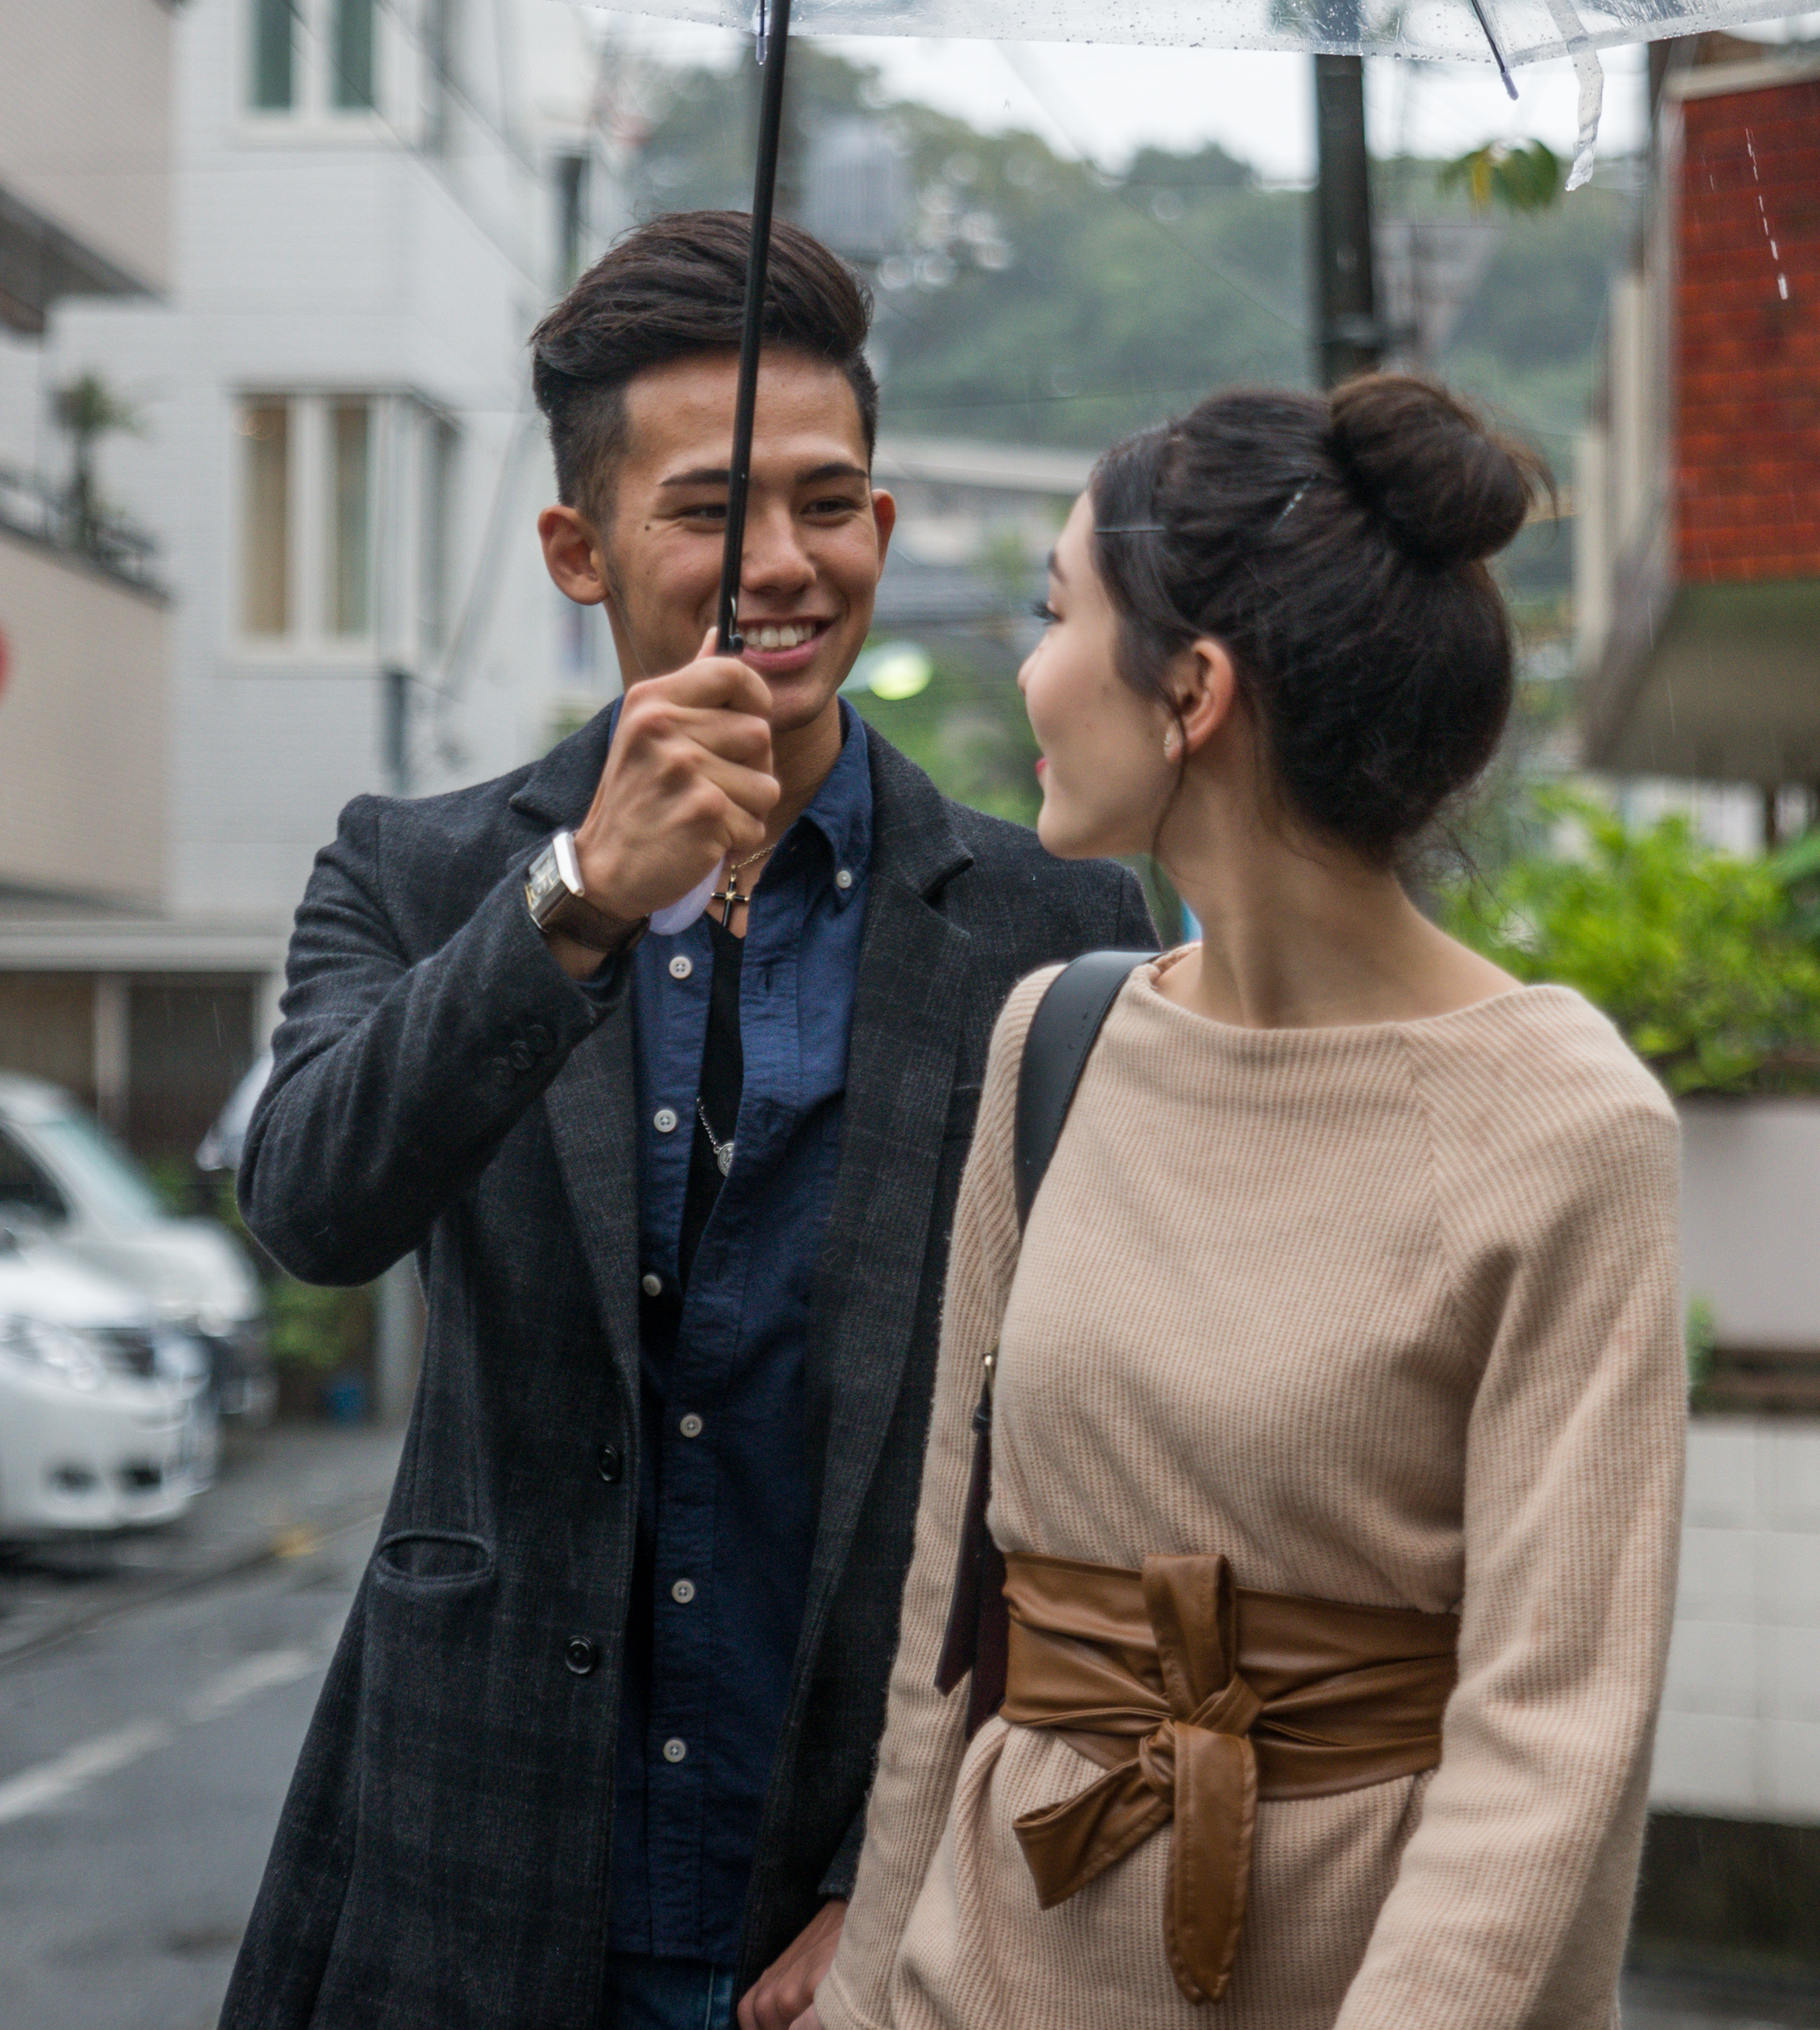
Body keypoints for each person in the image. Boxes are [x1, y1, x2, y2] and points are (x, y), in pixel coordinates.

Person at [218, 213, 1154, 2030]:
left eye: (828, 503)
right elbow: (311, 1202)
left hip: (834, 1896)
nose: (782, 565)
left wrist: (890, 1879)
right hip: (470, 1860)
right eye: (711, 509)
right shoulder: (418, 873)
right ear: (579, 547)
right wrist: (572, 898)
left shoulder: (1061, 927)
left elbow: (1083, 1456)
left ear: (884, 526)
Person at [811, 375, 1686, 2029]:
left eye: (1056, 612)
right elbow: (954, 1599)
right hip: (993, 1968)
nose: (1027, 668)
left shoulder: (1564, 1128)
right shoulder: (1053, 1040)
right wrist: (866, 1999)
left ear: (1190, 690)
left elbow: (1551, 1730)